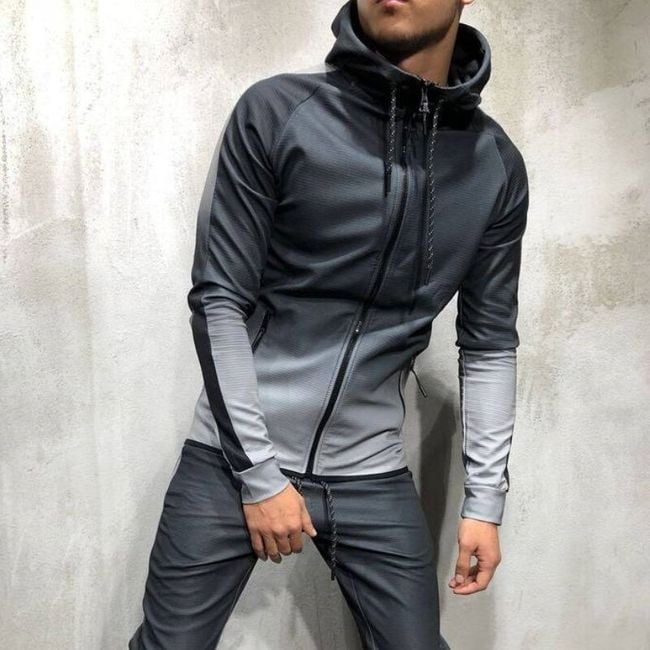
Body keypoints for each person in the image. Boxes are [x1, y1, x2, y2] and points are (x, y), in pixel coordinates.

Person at [129, 0, 529, 647]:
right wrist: (259, 474)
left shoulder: (494, 166)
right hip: (232, 461)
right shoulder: (278, 113)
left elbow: (488, 345)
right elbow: (219, 300)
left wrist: (484, 503)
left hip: (370, 471)